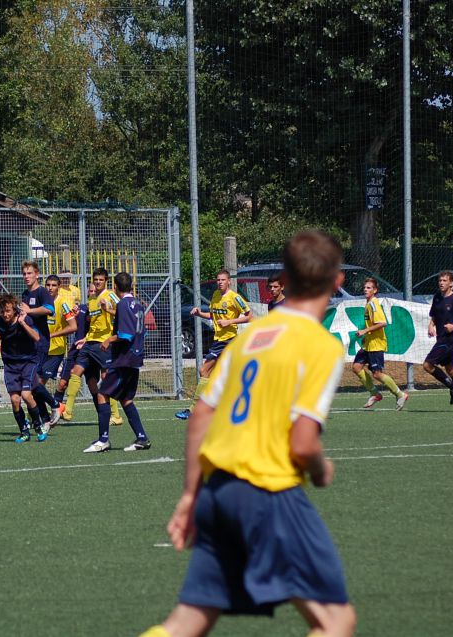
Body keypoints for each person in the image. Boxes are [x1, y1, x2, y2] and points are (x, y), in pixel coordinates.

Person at [139, 230, 357, 637]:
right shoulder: (320, 345)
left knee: (188, 621)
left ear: (284, 280)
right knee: (335, 621)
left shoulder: (252, 337)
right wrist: (321, 469)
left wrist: (190, 495)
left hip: (218, 491)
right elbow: (303, 441)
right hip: (267, 492)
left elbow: (203, 413)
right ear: (338, 281)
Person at [82, 272, 152, 453]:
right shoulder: (138, 304)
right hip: (135, 358)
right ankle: (142, 438)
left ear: (115, 286)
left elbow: (126, 335)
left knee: (102, 394)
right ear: (131, 286)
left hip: (123, 359)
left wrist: (108, 340)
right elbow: (142, 333)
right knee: (126, 399)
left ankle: (103, 440)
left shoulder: (122, 305)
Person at [176, 270, 251, 420]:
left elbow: (249, 316)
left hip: (227, 340)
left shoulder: (234, 297)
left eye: (223, 280)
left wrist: (230, 321)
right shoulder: (216, 295)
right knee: (220, 375)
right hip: (218, 340)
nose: (220, 282)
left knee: (204, 371)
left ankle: (193, 409)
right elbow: (212, 315)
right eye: (218, 280)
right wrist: (198, 313)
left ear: (229, 281)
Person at [68, 268, 124, 424]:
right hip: (90, 341)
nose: (98, 282)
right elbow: (92, 323)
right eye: (95, 279)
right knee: (76, 371)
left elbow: (123, 311)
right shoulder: (92, 299)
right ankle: (67, 410)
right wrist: (85, 338)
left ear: (106, 280)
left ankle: (116, 415)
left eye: (101, 280)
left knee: (106, 378)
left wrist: (109, 309)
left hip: (104, 342)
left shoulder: (110, 295)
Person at [0, 293, 47, 443]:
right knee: (15, 400)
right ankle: (24, 431)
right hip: (10, 364)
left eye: (8, 311)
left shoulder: (25, 319)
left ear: (14, 310)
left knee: (27, 395)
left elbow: (37, 337)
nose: (5, 314)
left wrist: (23, 323)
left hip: (28, 361)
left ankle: (38, 425)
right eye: (2, 311)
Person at [352, 277, 408, 410]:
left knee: (377, 374)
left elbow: (382, 322)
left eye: (369, 288)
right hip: (369, 344)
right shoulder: (368, 303)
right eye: (365, 287)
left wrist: (365, 331)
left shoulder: (373, 304)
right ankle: (374, 393)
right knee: (356, 367)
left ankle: (400, 394)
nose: (365, 289)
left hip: (376, 344)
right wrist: (366, 336)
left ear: (375, 290)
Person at [19, 261, 63, 429]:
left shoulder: (42, 292)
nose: (26, 277)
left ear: (36, 274)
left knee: (32, 381)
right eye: (24, 274)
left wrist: (29, 311)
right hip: (28, 344)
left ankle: (55, 405)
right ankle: (45, 419)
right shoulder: (25, 293)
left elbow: (49, 309)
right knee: (32, 383)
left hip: (40, 342)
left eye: (29, 273)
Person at [422, 271, 453, 405]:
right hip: (440, 337)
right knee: (451, 369)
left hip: (450, 338)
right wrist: (431, 325)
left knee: (427, 365)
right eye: (440, 281)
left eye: (444, 281)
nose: (441, 283)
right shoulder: (437, 297)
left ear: (451, 283)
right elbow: (434, 314)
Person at [56, 284, 92, 420]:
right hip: (75, 349)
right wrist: (73, 314)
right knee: (62, 383)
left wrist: (86, 339)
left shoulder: (102, 309)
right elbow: (70, 323)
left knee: (94, 386)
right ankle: (57, 411)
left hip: (92, 350)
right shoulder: (81, 308)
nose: (92, 292)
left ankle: (113, 414)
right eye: (90, 290)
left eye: (95, 291)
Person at [42, 275, 78, 390]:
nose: (50, 288)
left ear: (59, 287)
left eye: (53, 285)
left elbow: (73, 326)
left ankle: (54, 404)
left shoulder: (63, 304)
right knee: (34, 385)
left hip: (55, 349)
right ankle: (55, 405)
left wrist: (52, 335)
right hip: (40, 348)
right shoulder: (41, 302)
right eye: (48, 285)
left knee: (38, 384)